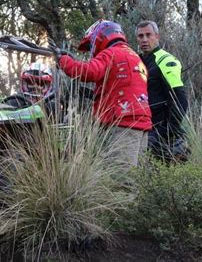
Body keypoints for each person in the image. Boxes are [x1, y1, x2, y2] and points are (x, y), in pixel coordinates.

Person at [49, 20, 152, 169]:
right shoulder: (133, 56)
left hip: (123, 123)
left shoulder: (111, 53)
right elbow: (121, 85)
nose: (92, 50)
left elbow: (88, 72)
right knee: (137, 176)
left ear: (100, 38)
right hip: (141, 123)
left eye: (91, 45)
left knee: (121, 180)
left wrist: (63, 61)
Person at [136, 20, 189, 161]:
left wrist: (169, 130)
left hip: (161, 129)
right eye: (141, 36)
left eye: (149, 35)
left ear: (157, 37)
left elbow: (180, 97)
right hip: (143, 126)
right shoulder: (138, 61)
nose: (145, 40)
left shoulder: (165, 60)